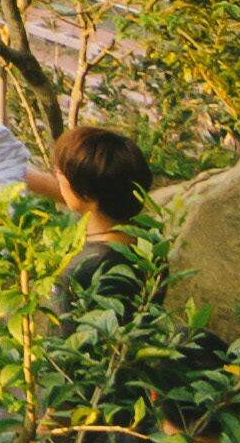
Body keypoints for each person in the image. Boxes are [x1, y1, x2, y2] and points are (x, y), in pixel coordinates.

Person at [46, 124, 158, 322]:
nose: (57, 177)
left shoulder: (79, 271)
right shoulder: (150, 247)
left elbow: (65, 336)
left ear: (86, 193)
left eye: (60, 174)